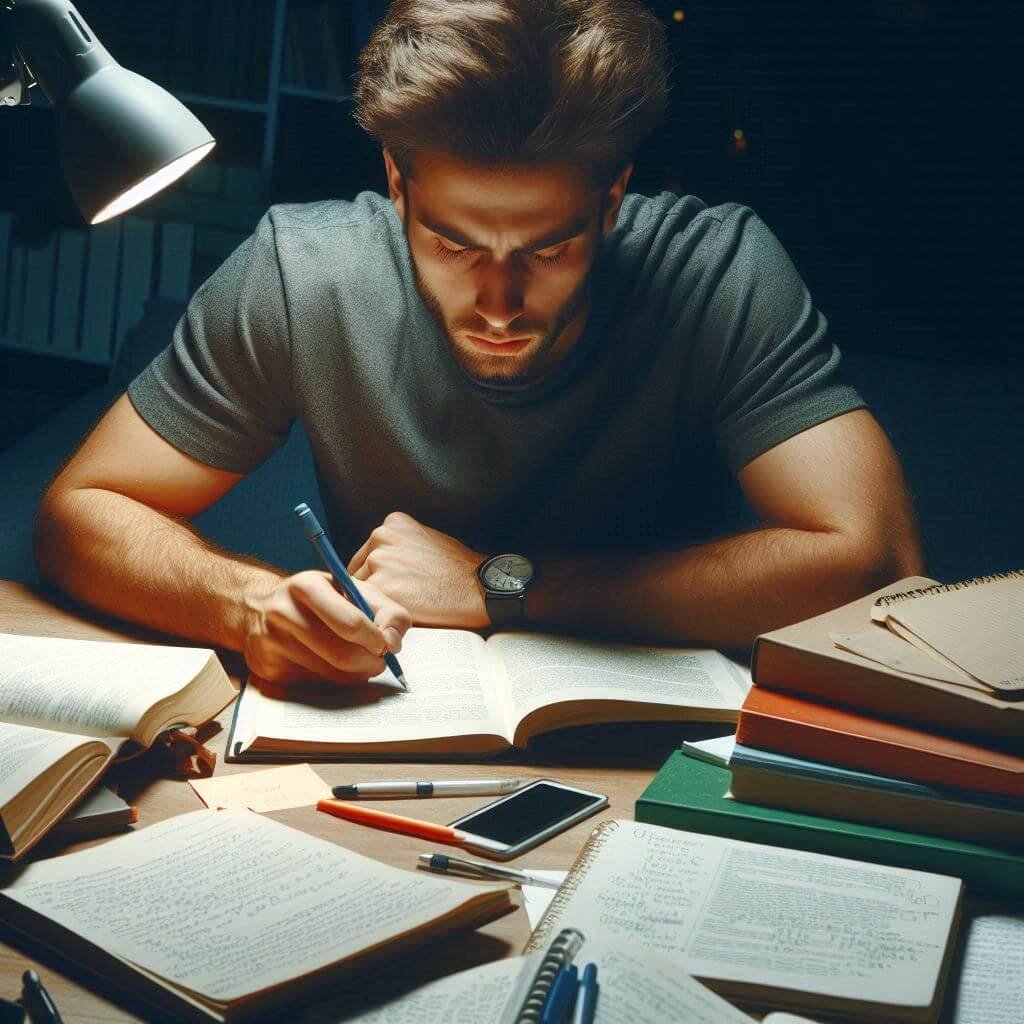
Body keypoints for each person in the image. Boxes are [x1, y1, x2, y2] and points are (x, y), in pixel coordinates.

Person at [34, 0, 922, 687]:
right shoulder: (304, 271)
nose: (500, 303)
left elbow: (874, 565)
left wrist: (506, 586)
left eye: (550, 248)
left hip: (672, 757)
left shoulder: (717, 267)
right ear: (398, 187)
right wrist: (253, 605)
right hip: (384, 732)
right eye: (455, 245)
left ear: (612, 200)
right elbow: (82, 512)